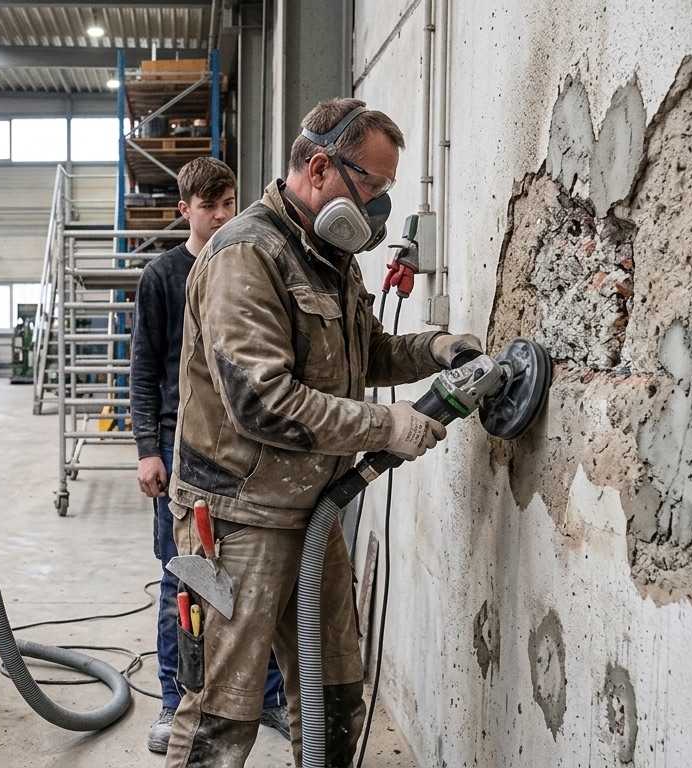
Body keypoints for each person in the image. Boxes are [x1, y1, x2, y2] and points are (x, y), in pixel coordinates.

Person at [164, 99, 481, 767]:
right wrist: (386, 424)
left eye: (385, 190)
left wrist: (438, 349)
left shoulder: (332, 257)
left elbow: (369, 352)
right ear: (318, 167)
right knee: (221, 715)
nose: (379, 207)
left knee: (334, 695)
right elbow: (263, 402)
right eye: (372, 185)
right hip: (237, 519)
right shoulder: (246, 254)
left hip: (311, 510)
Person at [130, 157, 291, 754]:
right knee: (187, 584)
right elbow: (144, 370)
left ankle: (267, 700)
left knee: (257, 586)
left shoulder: (252, 268)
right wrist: (149, 450)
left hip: (247, 456)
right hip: (181, 454)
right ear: (185, 211)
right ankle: (176, 704)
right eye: (209, 206)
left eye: (229, 204)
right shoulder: (164, 277)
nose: (222, 216)